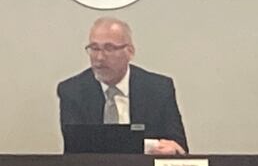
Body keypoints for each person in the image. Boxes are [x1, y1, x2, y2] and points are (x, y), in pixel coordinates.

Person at [57, 17, 188, 154]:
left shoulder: (158, 89)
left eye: (109, 48)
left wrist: (172, 150)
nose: (99, 57)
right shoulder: (72, 91)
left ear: (130, 52)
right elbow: (77, 148)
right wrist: (149, 145)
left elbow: (179, 146)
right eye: (94, 48)